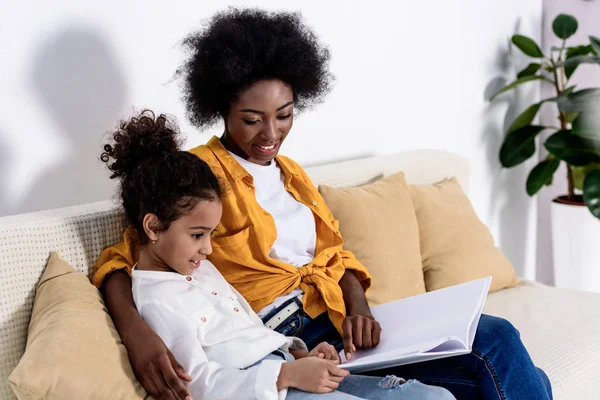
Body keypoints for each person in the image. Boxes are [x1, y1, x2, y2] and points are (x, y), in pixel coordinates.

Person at [93, 8, 553, 400]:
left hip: (339, 321)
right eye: (251, 120)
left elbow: (337, 255)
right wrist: (136, 335)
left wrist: (359, 306)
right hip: (283, 334)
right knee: (507, 372)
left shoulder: (294, 175)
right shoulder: (196, 177)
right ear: (221, 108)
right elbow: (125, 258)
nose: (270, 135)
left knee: (497, 342)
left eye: (285, 115)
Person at [99, 110, 456, 400]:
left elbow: (249, 331)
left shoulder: (199, 269)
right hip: (269, 389)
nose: (208, 249)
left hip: (287, 364)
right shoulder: (158, 301)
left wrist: (300, 355)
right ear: (152, 227)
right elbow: (199, 383)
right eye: (197, 236)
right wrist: (286, 373)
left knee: (435, 397)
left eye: (210, 235)